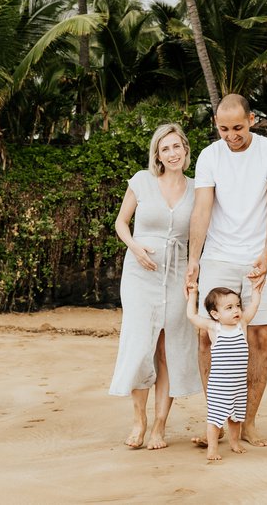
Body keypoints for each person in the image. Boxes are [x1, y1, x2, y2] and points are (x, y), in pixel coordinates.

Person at [184, 94, 267, 448]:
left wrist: (265, 252)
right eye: (223, 129)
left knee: (260, 338)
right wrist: (194, 258)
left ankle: (248, 422)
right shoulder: (208, 156)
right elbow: (201, 210)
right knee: (208, 336)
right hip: (218, 255)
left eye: (238, 128)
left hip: (265, 257)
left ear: (252, 120)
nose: (231, 135)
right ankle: (217, 422)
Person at [109, 123, 201, 450]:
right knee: (140, 346)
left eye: (177, 146)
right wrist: (134, 247)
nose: (172, 153)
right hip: (139, 272)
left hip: (177, 273)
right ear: (157, 154)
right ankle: (139, 420)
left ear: (186, 150)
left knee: (169, 348)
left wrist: (195, 268)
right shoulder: (142, 181)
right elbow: (121, 222)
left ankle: (160, 425)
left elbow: (202, 231)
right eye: (165, 149)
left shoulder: (197, 188)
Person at [185, 282, 264, 461]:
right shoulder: (215, 328)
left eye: (237, 306)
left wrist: (255, 291)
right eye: (229, 307)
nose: (236, 310)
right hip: (219, 386)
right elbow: (191, 316)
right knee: (215, 418)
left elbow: (254, 306)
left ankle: (234, 442)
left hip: (238, 386)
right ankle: (212, 449)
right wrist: (193, 294)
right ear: (215, 314)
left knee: (236, 418)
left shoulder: (241, 325)